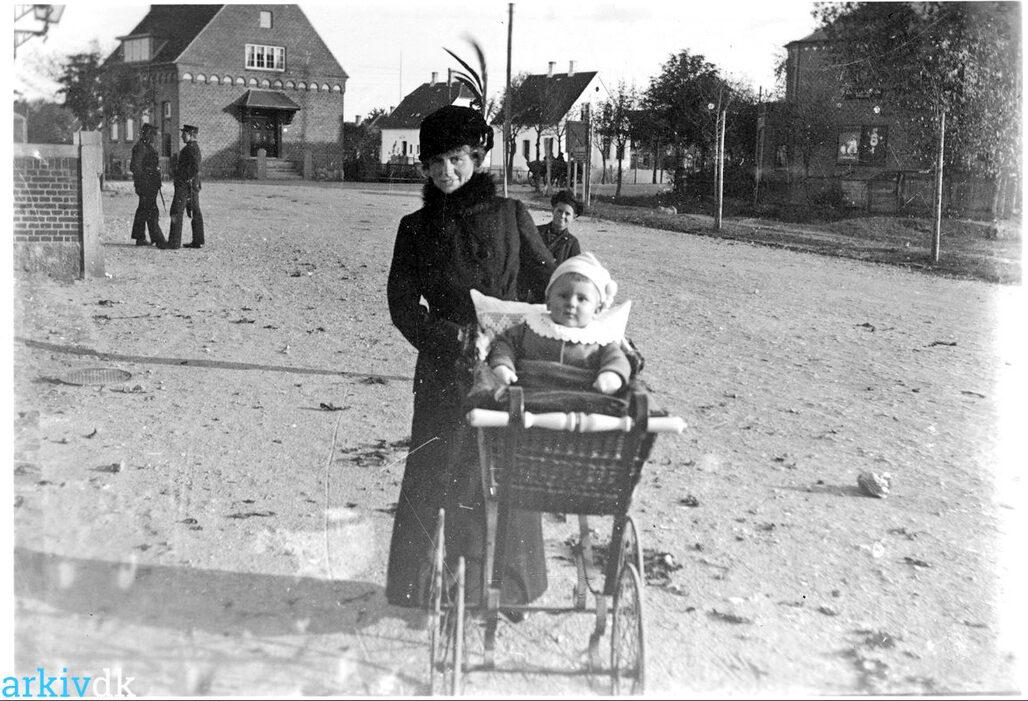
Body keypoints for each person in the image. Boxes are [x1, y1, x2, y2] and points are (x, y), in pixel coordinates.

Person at [386, 104, 556, 612]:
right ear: (424, 166)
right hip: (444, 367)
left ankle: (511, 591)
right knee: (435, 468)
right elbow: (402, 306)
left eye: (457, 159)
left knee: (507, 469)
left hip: (506, 366)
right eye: (435, 162)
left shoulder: (510, 216)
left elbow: (549, 282)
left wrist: (523, 327)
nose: (446, 172)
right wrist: (453, 338)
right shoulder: (414, 228)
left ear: (477, 158)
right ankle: (417, 587)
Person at [489, 252, 630, 395]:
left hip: (581, 395)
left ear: (597, 310)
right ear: (548, 301)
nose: (571, 303)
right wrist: (503, 365)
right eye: (563, 296)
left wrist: (612, 374)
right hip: (529, 391)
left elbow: (617, 358)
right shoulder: (531, 326)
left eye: (582, 299)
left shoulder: (600, 338)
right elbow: (504, 344)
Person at [166, 124, 205, 250]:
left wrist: (185, 178)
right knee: (195, 211)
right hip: (191, 186)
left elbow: (195, 168)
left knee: (176, 211)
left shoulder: (191, 149)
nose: (182, 135)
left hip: (186, 186)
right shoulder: (192, 148)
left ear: (191, 135)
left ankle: (174, 242)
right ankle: (198, 241)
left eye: (184, 133)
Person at [129, 124, 167, 247]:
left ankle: (141, 238)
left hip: (150, 185)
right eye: (154, 135)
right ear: (148, 134)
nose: (156, 138)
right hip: (146, 185)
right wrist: (145, 180)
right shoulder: (141, 147)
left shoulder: (147, 146)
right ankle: (158, 239)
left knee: (144, 210)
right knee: (151, 210)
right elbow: (134, 166)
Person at [538, 190, 583, 263]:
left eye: (567, 214)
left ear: (573, 217)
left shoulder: (572, 243)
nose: (562, 216)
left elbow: (574, 267)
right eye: (559, 211)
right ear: (553, 210)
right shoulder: (536, 231)